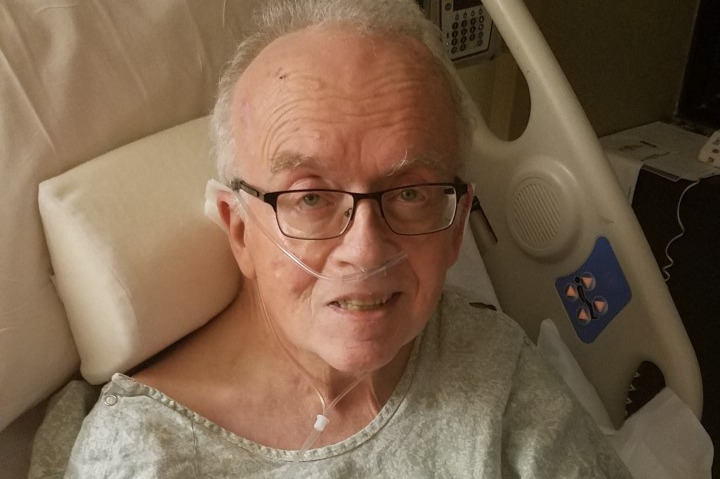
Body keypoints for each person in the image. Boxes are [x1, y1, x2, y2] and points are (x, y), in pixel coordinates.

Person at [32, 0, 633, 477]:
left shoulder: (494, 369)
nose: (366, 251)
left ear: (456, 227)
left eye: (410, 193)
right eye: (311, 198)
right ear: (239, 230)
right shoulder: (139, 455)